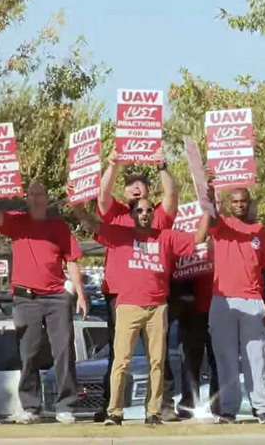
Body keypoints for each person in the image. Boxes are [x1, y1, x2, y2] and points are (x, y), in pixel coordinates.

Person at [72, 197, 208, 426]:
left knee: (157, 362)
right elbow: (90, 223)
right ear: (133, 214)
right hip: (128, 306)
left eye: (148, 210)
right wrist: (76, 203)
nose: (145, 213)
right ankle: (114, 412)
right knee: (121, 361)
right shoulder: (121, 234)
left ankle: (153, 412)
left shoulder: (166, 236)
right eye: (140, 210)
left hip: (157, 307)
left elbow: (198, 238)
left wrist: (207, 206)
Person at [0, 180, 88, 425]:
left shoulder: (59, 226)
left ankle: (66, 405)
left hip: (57, 297)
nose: (36, 198)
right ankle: (31, 406)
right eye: (32, 194)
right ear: (26, 198)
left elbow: (72, 260)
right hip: (25, 298)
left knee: (63, 351)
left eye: (40, 194)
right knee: (28, 353)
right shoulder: (17, 221)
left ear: (47, 198)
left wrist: (80, 293)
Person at [94, 148, 178, 422]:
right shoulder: (116, 213)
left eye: (141, 189)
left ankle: (158, 408)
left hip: (154, 296)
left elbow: (172, 198)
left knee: (158, 357)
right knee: (119, 357)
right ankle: (111, 407)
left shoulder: (154, 216)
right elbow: (102, 196)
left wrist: (163, 167)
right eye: (131, 188)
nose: (136, 192)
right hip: (120, 296)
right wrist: (113, 165)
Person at [206, 186, 265, 424]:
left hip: (253, 301)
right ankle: (229, 409)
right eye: (235, 201)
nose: (239, 205)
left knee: (256, 357)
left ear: (249, 203)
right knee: (225, 357)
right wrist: (210, 191)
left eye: (243, 201)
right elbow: (211, 215)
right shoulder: (221, 225)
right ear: (229, 204)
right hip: (223, 300)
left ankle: (263, 407)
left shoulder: (260, 231)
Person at [174, 272, 220, 419]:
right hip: (190, 313)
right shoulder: (188, 251)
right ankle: (188, 403)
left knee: (218, 361)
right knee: (190, 362)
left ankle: (218, 403)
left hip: (216, 309)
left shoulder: (221, 251)